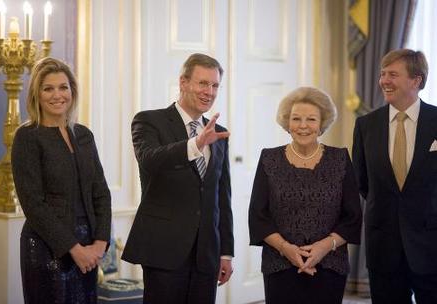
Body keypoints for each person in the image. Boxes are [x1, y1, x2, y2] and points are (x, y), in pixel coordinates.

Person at [121, 53, 234, 304]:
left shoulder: (218, 132)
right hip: (164, 250)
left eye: (215, 85)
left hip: (207, 253)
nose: (210, 91)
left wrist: (225, 251)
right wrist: (195, 144)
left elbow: (221, 196)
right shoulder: (149, 120)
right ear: (183, 82)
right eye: (203, 83)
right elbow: (149, 159)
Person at [11, 57, 112, 304]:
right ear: (37, 94)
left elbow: (101, 192)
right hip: (47, 247)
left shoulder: (84, 135)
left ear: (72, 91)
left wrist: (99, 245)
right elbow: (33, 204)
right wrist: (74, 249)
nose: (57, 95)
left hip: (90, 249)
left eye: (63, 87)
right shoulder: (27, 137)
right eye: (48, 88)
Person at [248, 86, 362, 304]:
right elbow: (258, 216)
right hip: (279, 264)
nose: (303, 126)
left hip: (330, 265)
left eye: (311, 119)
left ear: (321, 124)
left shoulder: (339, 159)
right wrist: (286, 249)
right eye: (296, 119)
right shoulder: (269, 159)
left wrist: (323, 247)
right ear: (287, 123)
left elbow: (353, 217)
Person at [352, 49, 437, 303]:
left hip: (431, 244)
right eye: (382, 74)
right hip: (383, 245)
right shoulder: (365, 125)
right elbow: (362, 182)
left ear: (416, 80)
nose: (384, 81)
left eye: (392, 74)